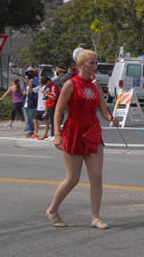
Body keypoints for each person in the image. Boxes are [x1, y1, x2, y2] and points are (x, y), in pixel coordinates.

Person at [46, 49, 118, 229]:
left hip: (93, 132)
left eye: (96, 63)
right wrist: (56, 134)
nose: (95, 66)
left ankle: (95, 217)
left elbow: (102, 109)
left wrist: (111, 118)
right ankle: (53, 209)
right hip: (73, 132)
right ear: (81, 65)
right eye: (91, 63)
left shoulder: (95, 87)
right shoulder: (70, 84)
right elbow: (59, 110)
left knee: (96, 176)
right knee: (73, 178)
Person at [41, 76, 59, 141]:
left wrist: (47, 94)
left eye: (46, 83)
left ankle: (54, 134)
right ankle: (51, 134)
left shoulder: (53, 86)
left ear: (48, 81)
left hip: (52, 105)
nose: (45, 85)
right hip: (49, 105)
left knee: (52, 121)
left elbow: (54, 97)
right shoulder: (49, 87)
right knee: (50, 121)